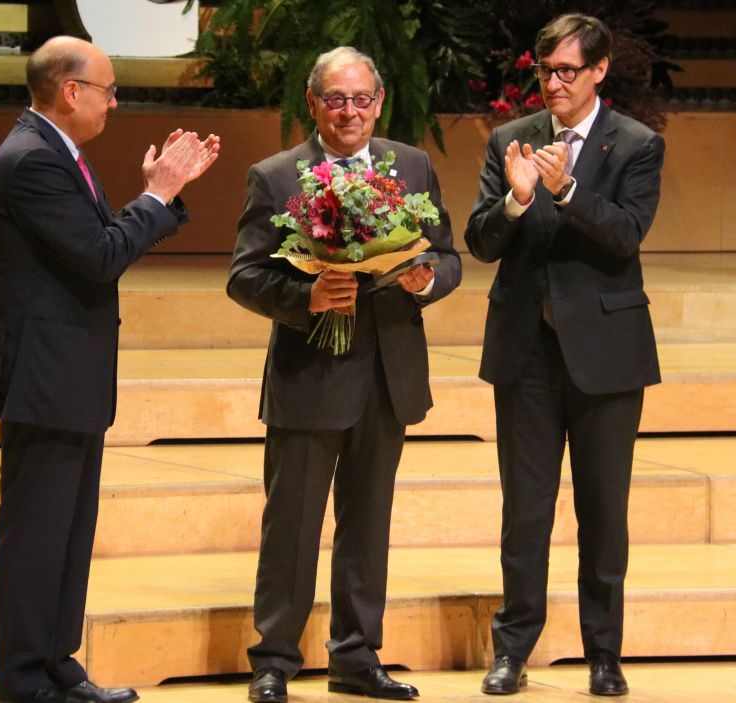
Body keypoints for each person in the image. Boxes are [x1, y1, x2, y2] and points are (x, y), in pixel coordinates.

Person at [0, 36, 219, 703]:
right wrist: (160, 193)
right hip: (43, 378)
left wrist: (158, 197)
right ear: (70, 90)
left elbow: (100, 244)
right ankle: (25, 682)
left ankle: (58, 666)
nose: (115, 101)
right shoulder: (32, 160)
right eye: (109, 89)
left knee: (67, 534)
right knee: (36, 536)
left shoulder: (56, 152)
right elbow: (100, 255)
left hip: (68, 378)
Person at [227, 46, 461, 703]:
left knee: (368, 525)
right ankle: (274, 659)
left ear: (379, 102)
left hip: (388, 374)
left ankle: (355, 656)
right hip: (309, 376)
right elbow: (244, 276)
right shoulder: (276, 175)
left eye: (361, 99)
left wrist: (427, 278)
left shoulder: (410, 165)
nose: (349, 112)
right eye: (336, 99)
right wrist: (307, 299)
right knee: (292, 528)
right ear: (314, 104)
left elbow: (447, 254)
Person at [464, 14, 664, 698]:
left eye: (567, 71)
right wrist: (517, 202)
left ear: (599, 70)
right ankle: (512, 650)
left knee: (604, 511)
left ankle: (604, 654)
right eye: (545, 70)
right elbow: (480, 241)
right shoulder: (509, 140)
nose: (553, 83)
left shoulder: (636, 144)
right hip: (527, 353)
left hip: (607, 353)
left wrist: (568, 192)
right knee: (526, 511)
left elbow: (627, 235)